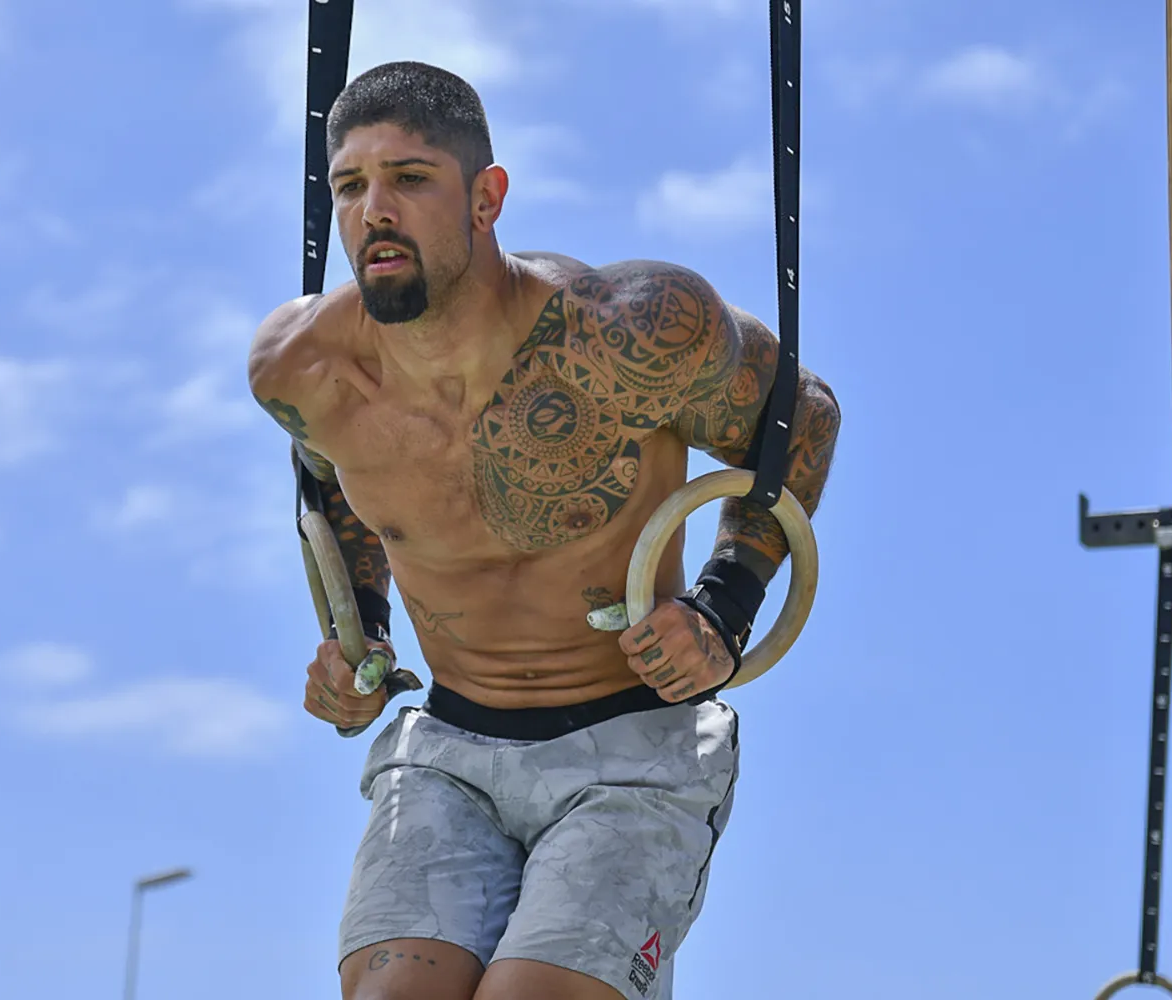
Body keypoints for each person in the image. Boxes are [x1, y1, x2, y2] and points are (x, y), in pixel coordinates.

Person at [249, 61, 841, 1000]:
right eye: (350, 187)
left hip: (631, 749)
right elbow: (328, 485)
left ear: (486, 197)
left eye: (409, 179)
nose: (374, 211)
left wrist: (723, 614)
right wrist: (356, 633)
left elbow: (799, 415)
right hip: (448, 744)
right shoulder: (303, 365)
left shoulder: (630, 332)